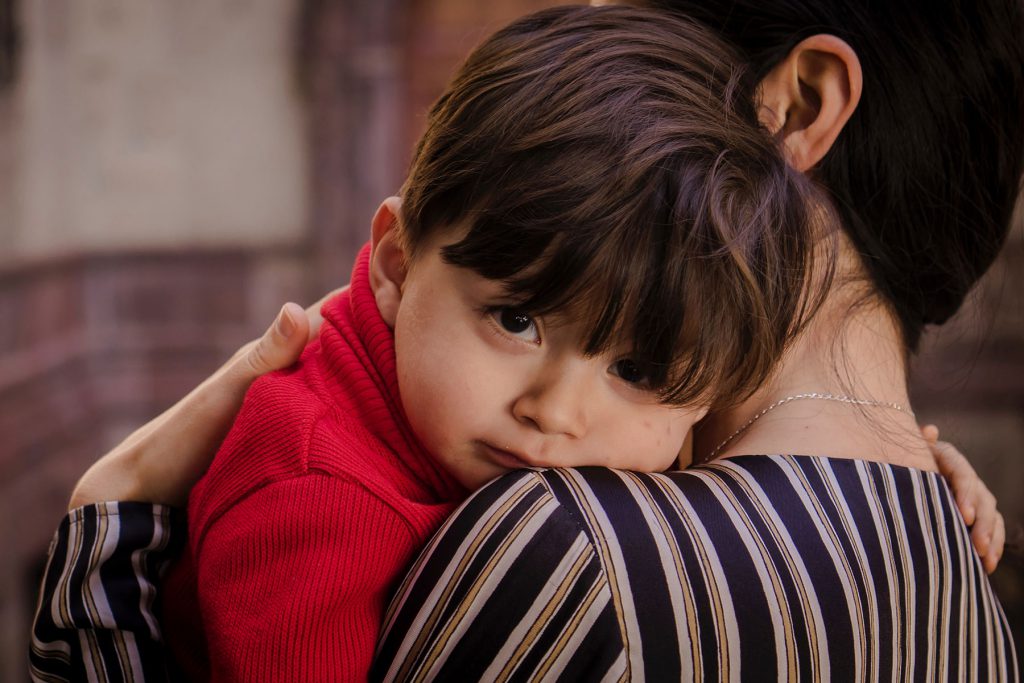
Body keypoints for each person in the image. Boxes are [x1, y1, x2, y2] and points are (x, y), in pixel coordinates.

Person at [28, 0, 1019, 680]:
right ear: (397, 257)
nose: (557, 409)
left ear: (793, 107)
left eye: (631, 23)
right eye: (516, 318)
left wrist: (106, 553)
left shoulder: (568, 551)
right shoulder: (965, 593)